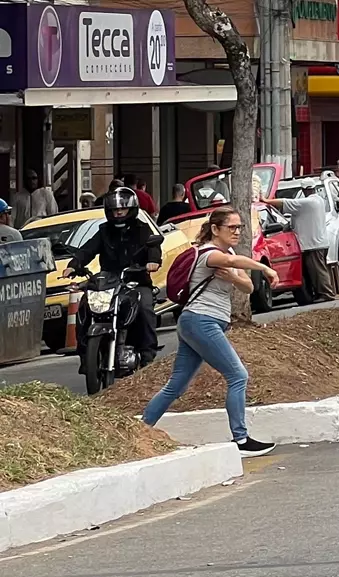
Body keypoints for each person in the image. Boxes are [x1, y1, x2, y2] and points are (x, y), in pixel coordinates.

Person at [141, 205, 279, 457]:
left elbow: (247, 287)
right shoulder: (208, 253)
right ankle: (241, 439)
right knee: (238, 376)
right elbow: (230, 261)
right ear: (215, 229)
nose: (237, 232)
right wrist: (265, 268)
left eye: (240, 227)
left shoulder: (229, 253)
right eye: (232, 227)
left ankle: (140, 429)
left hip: (200, 322)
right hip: (200, 321)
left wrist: (235, 278)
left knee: (177, 386)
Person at [61, 186, 163, 363]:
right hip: (108, 282)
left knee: (145, 309)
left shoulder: (143, 229)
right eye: (115, 210)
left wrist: (152, 262)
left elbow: (153, 247)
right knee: (85, 308)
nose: (118, 213)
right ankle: (86, 357)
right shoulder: (103, 231)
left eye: (122, 209)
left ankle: (147, 357)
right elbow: (87, 250)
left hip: (136, 281)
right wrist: (74, 265)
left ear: (131, 209)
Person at [265, 185, 339, 300]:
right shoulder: (318, 200)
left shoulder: (308, 203)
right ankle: (320, 293)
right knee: (316, 270)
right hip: (318, 243)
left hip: (313, 244)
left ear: (306, 190)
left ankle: (327, 294)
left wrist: (265, 200)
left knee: (318, 271)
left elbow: (284, 202)